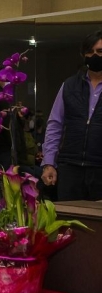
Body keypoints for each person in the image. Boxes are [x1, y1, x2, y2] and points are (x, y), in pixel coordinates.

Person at [41, 30, 102, 201]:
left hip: (100, 168)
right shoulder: (69, 85)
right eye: (90, 52)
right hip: (70, 167)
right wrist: (49, 163)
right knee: (68, 221)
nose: (94, 56)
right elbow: (55, 124)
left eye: (100, 52)